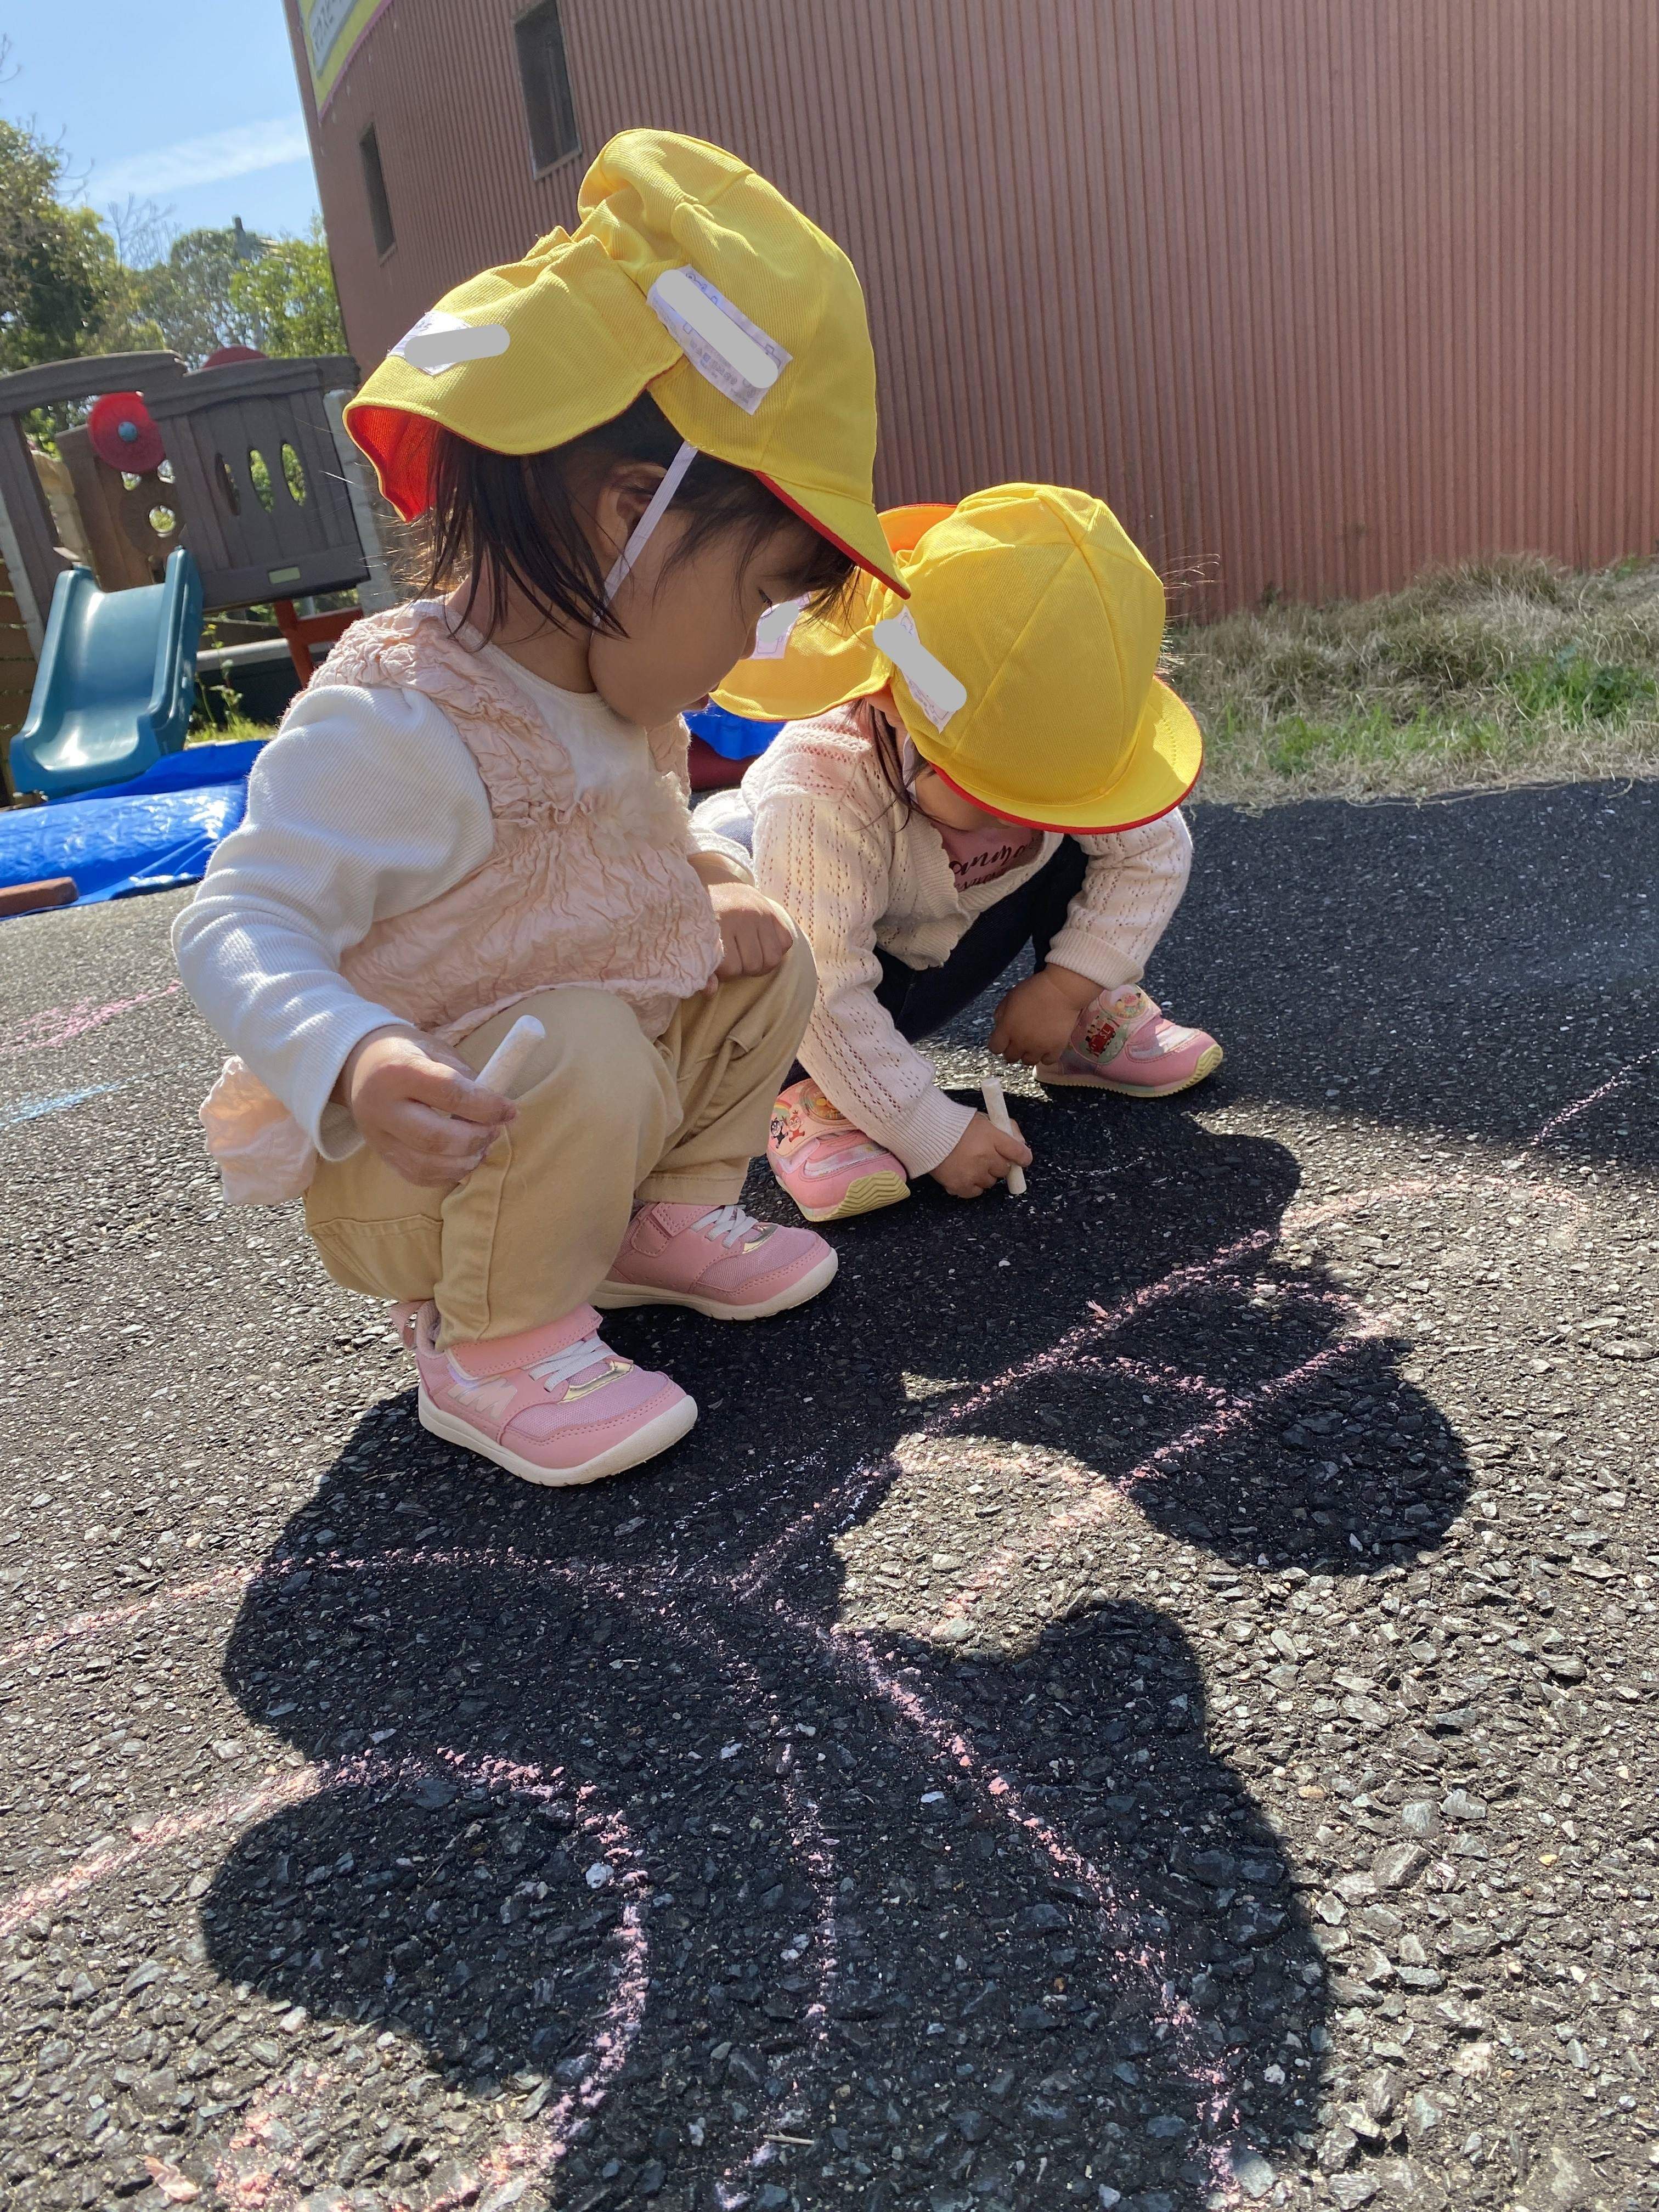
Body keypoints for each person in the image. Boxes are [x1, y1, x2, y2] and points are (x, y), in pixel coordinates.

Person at [173, 130, 905, 1486]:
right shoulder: (405, 718)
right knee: (580, 1039)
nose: (750, 644)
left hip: (582, 1110)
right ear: (634, 514)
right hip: (432, 1159)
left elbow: (613, 855)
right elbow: (237, 917)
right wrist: (354, 1059)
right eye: (755, 594)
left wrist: (706, 877)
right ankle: (491, 1343)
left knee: (770, 952)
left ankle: (651, 1230)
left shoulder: (626, 702)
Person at [694, 486, 1221, 1223]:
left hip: (934, 949)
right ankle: (804, 1099)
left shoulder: (1061, 748)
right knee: (774, 943)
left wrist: (1069, 986)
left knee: (1084, 847)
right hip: (812, 989)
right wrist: (931, 1133)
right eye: (989, 792)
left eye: (1042, 797)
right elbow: (824, 987)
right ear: (889, 705)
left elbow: (1153, 848)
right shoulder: (820, 790)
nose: (1019, 822)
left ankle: (1078, 1032)